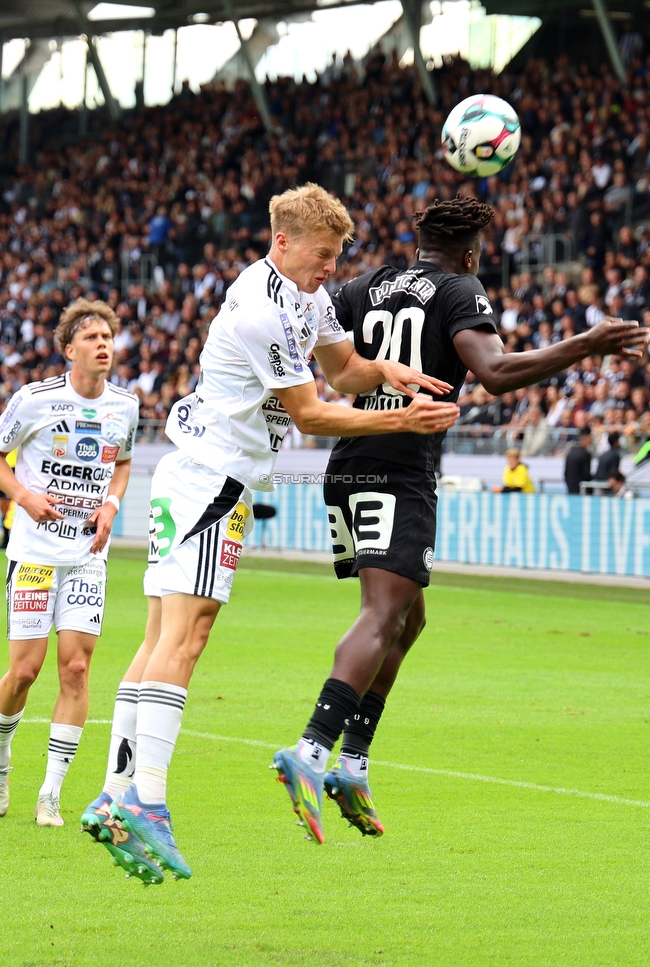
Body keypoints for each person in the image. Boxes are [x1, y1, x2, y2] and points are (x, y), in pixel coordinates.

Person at [80, 183, 460, 884]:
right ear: (282, 242)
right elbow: (313, 415)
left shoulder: (304, 298)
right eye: (321, 256)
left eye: (336, 257)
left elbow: (345, 370)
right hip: (214, 481)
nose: (329, 270)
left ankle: (114, 794)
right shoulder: (264, 311)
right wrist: (399, 421)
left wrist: (392, 375)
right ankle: (150, 806)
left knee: (159, 639)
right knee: (185, 641)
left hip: (199, 473)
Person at [271, 196, 648, 845]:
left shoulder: (367, 284)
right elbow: (496, 374)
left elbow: (318, 349)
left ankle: (353, 764)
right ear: (472, 251)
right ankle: (312, 751)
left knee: (408, 616)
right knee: (383, 613)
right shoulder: (457, 287)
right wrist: (587, 343)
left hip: (350, 461)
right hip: (399, 463)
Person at [0, 299, 139, 827]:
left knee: (76, 669)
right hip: (34, 554)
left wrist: (111, 504)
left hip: (85, 558)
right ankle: (2, 756)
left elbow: (122, 464)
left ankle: (51, 792)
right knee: (24, 672)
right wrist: (24, 497)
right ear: (69, 350)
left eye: (108, 336)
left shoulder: (124, 406)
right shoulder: (34, 401)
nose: (103, 344)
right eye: (92, 337)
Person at [565, 426, 592, 494]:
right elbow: (586, 475)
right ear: (587, 438)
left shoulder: (571, 453)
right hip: (581, 491)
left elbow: (565, 473)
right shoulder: (585, 455)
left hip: (571, 489)